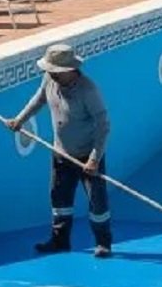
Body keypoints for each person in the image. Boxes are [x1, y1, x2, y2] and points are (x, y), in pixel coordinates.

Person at [7, 43, 113, 258]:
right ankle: (60, 241)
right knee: (59, 200)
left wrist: (94, 158)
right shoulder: (49, 80)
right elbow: (38, 100)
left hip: (87, 157)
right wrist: (20, 119)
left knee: (97, 203)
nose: (49, 74)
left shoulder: (88, 90)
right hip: (61, 154)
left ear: (69, 70)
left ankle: (103, 243)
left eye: (54, 71)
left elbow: (103, 125)